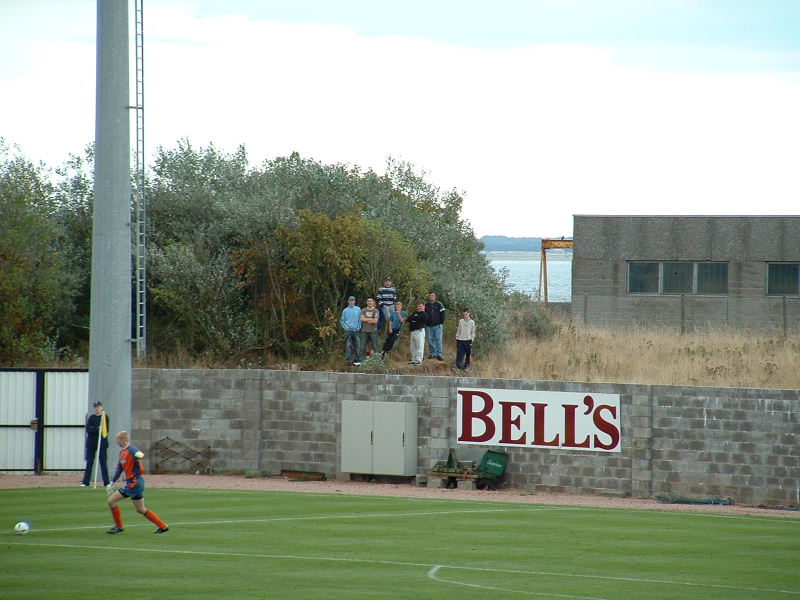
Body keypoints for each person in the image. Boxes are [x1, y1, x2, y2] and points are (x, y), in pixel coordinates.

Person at [106, 430, 169, 534]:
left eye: (118, 439)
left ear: (122, 439)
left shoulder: (132, 450)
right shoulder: (122, 453)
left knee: (111, 501)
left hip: (134, 483)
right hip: (135, 483)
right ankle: (163, 526)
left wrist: (139, 456)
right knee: (140, 509)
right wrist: (112, 482)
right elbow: (119, 468)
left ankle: (119, 526)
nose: (116, 442)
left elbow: (139, 456)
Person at [81, 401, 110, 487]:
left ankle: (106, 482)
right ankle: (85, 482)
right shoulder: (91, 418)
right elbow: (88, 429)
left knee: (103, 463)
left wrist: (96, 429)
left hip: (102, 444)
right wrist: (96, 429)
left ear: (101, 407)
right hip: (91, 443)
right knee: (89, 463)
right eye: (96, 407)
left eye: (98, 406)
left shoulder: (105, 418)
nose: (97, 408)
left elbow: (106, 430)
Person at [340, 295, 362, 366]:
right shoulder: (345, 310)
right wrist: (346, 328)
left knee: (357, 345)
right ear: (348, 301)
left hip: (356, 330)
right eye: (350, 300)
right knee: (348, 346)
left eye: (353, 300)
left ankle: (357, 360)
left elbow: (360, 319)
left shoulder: (358, 309)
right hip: (348, 331)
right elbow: (342, 320)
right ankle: (349, 361)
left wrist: (358, 327)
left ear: (355, 301)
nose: (352, 302)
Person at [424, 291, 446, 361]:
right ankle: (433, 354)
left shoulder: (439, 304)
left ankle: (439, 354)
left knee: (438, 339)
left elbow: (443, 313)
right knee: (430, 340)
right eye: (430, 295)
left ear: (435, 296)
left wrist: (441, 322)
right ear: (429, 296)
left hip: (438, 325)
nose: (431, 297)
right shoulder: (426, 305)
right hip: (428, 326)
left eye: (432, 295)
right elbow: (424, 314)